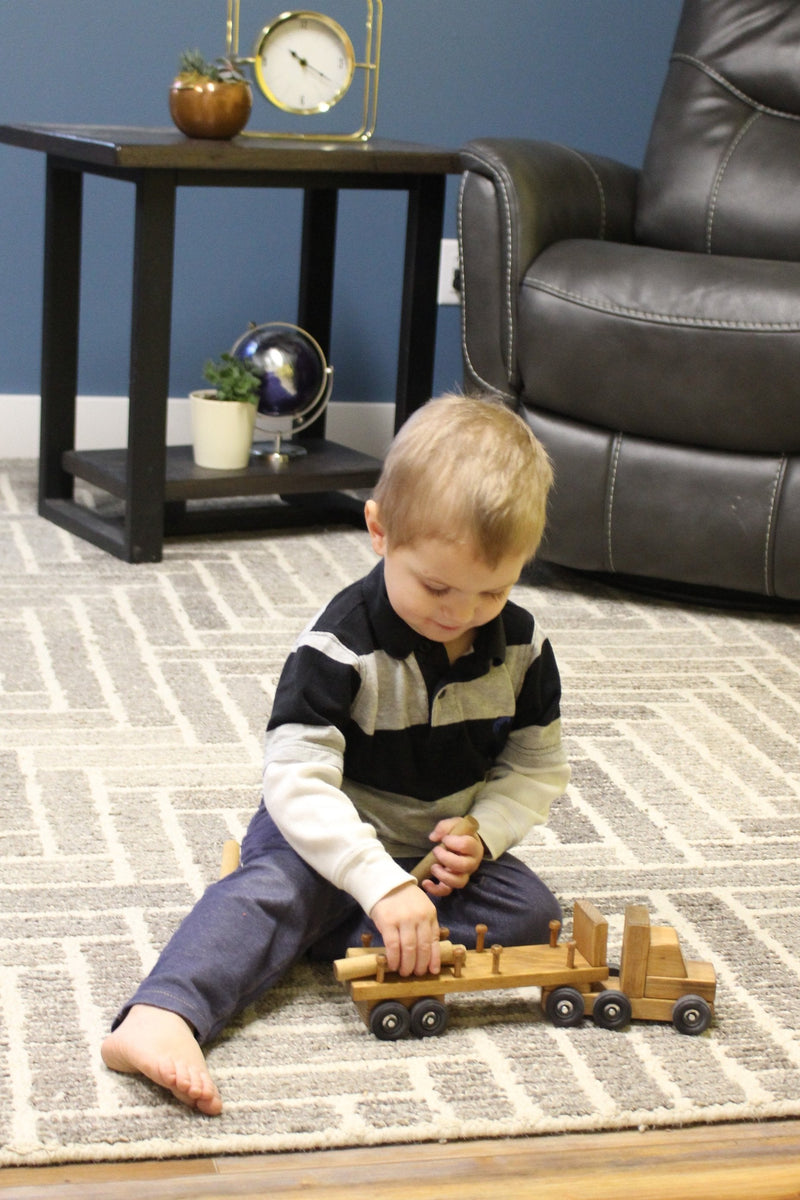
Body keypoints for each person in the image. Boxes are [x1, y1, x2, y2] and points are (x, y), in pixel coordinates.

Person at [101, 392, 571, 1115]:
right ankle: (163, 1015)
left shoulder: (521, 647)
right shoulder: (338, 647)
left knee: (532, 916)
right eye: (437, 586)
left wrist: (485, 832)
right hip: (328, 833)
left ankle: (338, 933)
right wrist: (375, 883)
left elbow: (533, 768)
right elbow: (297, 782)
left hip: (432, 853)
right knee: (274, 891)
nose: (460, 613)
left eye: (492, 591)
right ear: (379, 531)